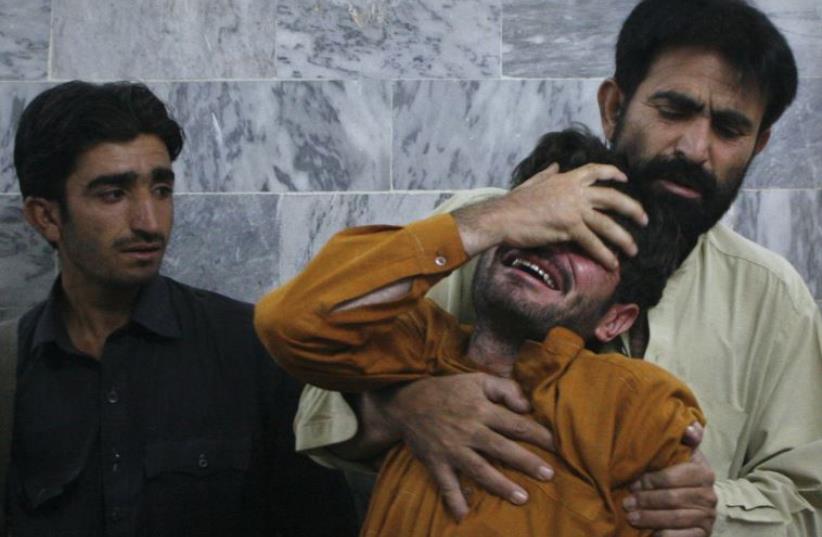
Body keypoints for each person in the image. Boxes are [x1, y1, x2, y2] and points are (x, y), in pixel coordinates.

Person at [293, 0, 822, 535]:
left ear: (758, 144)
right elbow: (318, 391)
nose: (695, 148)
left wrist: (715, 510)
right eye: (673, 110)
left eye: (729, 129)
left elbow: (810, 499)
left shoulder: (770, 297)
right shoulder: (486, 231)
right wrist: (405, 409)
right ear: (614, 107)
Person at [256, 128, 707, 535]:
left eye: (589, 240)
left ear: (616, 319)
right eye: (543, 220)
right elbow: (290, 322)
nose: (550, 242)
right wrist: (495, 216)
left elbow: (680, 516)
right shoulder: (417, 346)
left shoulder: (630, 401)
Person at [2, 81, 357, 537]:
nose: (149, 221)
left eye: (162, 189)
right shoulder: (11, 374)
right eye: (113, 194)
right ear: (46, 217)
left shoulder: (255, 349)